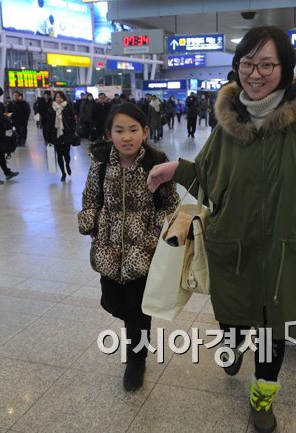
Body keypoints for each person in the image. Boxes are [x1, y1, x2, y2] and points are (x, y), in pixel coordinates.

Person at [147, 26, 296, 433]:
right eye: (247, 64)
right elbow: (209, 175)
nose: (255, 74)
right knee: (234, 315)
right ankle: (233, 344)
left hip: (288, 245)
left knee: (276, 327)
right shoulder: (229, 121)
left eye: (267, 64)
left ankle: (262, 395)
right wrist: (175, 169)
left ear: (285, 68)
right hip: (233, 242)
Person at [77, 102, 179, 392]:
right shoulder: (100, 165)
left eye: (133, 130)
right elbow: (90, 200)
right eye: (119, 130)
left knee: (137, 311)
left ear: (145, 132)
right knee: (112, 302)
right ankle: (136, 327)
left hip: (143, 254)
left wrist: (156, 232)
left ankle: (136, 361)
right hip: (108, 251)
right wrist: (93, 224)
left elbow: (170, 204)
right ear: (109, 134)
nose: (126, 137)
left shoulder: (155, 163)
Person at [44, 91, 76, 182]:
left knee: (66, 154)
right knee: (59, 155)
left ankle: (67, 165)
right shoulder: (51, 108)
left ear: (63, 98)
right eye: (57, 97)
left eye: (60, 97)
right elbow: (48, 123)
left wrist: (72, 131)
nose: (58, 99)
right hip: (55, 134)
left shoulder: (67, 106)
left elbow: (72, 120)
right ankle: (63, 173)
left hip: (66, 133)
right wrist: (47, 137)